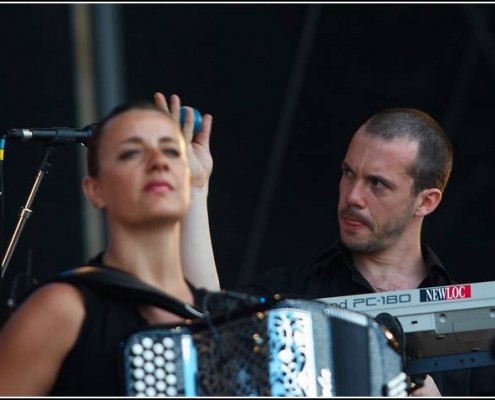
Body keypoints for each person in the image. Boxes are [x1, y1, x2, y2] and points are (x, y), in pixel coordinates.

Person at [189, 107, 495, 396]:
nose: (352, 196)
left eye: (377, 183)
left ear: (426, 202)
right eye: (349, 173)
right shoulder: (291, 295)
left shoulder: (476, 323)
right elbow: (206, 337)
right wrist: (195, 190)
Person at [0, 94, 218, 395]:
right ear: (95, 190)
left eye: (171, 152)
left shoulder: (211, 311)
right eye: (131, 154)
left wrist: (196, 188)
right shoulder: (62, 308)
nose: (158, 162)